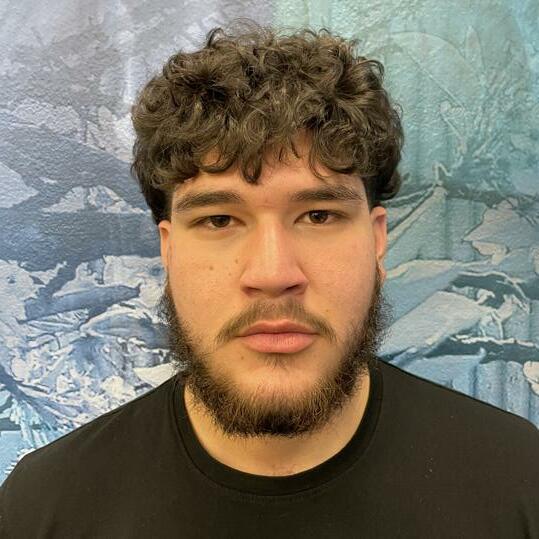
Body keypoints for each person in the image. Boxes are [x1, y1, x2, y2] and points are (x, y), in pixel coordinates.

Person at [1, 22, 538, 539]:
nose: (274, 275)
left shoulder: (519, 485)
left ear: (377, 241)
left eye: (319, 216)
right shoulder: (42, 511)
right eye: (219, 220)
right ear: (168, 249)